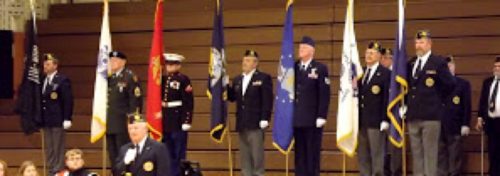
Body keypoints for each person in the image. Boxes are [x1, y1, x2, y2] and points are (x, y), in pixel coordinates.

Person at [406, 30, 455, 176]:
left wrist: (438, 101)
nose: (418, 46)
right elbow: (408, 86)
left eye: (421, 42)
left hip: (431, 116)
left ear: (429, 44)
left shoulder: (438, 62)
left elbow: (450, 85)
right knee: (417, 153)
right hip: (414, 115)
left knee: (430, 154)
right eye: (416, 42)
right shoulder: (412, 62)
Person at [227, 50, 273, 176]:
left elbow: (267, 100)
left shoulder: (263, 78)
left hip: (256, 122)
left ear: (255, 63)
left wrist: (265, 118)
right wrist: (225, 85)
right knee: (245, 156)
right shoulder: (238, 79)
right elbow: (232, 97)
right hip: (242, 122)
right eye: (244, 60)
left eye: (248, 60)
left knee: (257, 156)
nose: (244, 63)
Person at [293, 36, 331, 176]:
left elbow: (324, 94)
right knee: (299, 155)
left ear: (312, 51)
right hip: (297, 119)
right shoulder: (293, 67)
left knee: (312, 154)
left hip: (312, 120)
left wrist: (322, 115)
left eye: (304, 48)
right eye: (300, 47)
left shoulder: (320, 68)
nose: (300, 50)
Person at [357, 42, 391, 176]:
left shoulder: (385, 73)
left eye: (371, 53)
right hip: (362, 121)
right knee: (363, 155)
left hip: (377, 122)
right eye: (367, 53)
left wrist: (385, 119)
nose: (368, 56)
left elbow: (386, 98)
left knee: (377, 156)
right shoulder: (362, 73)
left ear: (379, 56)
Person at [106, 51, 143, 169]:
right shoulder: (109, 78)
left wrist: (133, 121)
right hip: (110, 122)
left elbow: (135, 100)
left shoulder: (130, 77)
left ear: (123, 62)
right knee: (113, 155)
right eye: (111, 60)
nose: (112, 63)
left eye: (116, 60)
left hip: (123, 123)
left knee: (124, 153)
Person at [160, 53, 194, 176]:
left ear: (178, 65)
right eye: (168, 63)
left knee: (178, 151)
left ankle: (177, 174)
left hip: (178, 118)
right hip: (165, 118)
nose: (169, 66)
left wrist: (187, 120)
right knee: (166, 150)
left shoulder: (183, 79)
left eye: (173, 64)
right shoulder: (162, 79)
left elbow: (188, 102)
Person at [437, 56, 471, 176]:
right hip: (439, 124)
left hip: (455, 125)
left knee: (455, 155)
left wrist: (465, 124)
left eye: (450, 65)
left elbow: (467, 105)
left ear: (454, 66)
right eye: (446, 67)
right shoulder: (438, 84)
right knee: (440, 155)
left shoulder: (463, 84)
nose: (448, 68)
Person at [41, 53, 74, 175]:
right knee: (49, 148)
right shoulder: (43, 80)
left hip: (58, 119)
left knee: (58, 148)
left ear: (55, 65)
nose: (45, 66)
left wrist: (67, 117)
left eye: (48, 64)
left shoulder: (62, 80)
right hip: (47, 120)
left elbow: (67, 100)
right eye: (44, 64)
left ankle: (58, 172)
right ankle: (51, 171)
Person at [476, 56, 500, 176]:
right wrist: (480, 118)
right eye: (495, 66)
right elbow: (483, 101)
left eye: (499, 66)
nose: (497, 69)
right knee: (492, 151)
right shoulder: (488, 82)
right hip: (491, 122)